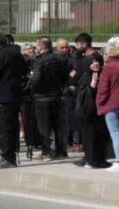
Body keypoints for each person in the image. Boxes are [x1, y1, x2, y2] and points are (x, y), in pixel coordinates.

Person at [27, 38, 69, 159]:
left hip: (42, 97)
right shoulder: (60, 59)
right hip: (57, 96)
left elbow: (36, 79)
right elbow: (66, 76)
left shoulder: (39, 61)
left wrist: (30, 88)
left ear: (40, 46)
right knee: (58, 126)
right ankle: (61, 151)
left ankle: (47, 150)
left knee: (44, 127)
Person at [96, 44, 119, 173]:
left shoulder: (108, 68)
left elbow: (103, 89)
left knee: (115, 133)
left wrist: (99, 103)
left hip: (111, 104)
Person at [75, 53, 110, 169]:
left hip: (100, 111)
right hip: (88, 112)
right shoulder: (86, 76)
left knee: (100, 135)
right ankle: (91, 160)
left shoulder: (103, 74)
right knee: (89, 136)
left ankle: (100, 159)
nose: (95, 64)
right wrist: (92, 84)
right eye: (92, 61)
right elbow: (84, 93)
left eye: (97, 61)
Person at [0, 35, 27, 168]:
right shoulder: (16, 54)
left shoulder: (1, 55)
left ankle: (8, 157)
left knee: (5, 128)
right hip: (15, 94)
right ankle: (11, 154)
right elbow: (24, 71)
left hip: (3, 96)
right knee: (11, 126)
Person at [19, 43, 39, 160]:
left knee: (33, 120)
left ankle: (34, 142)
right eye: (26, 50)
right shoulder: (20, 63)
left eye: (31, 50)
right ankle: (28, 141)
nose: (28, 52)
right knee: (24, 119)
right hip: (23, 95)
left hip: (33, 95)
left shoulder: (35, 62)